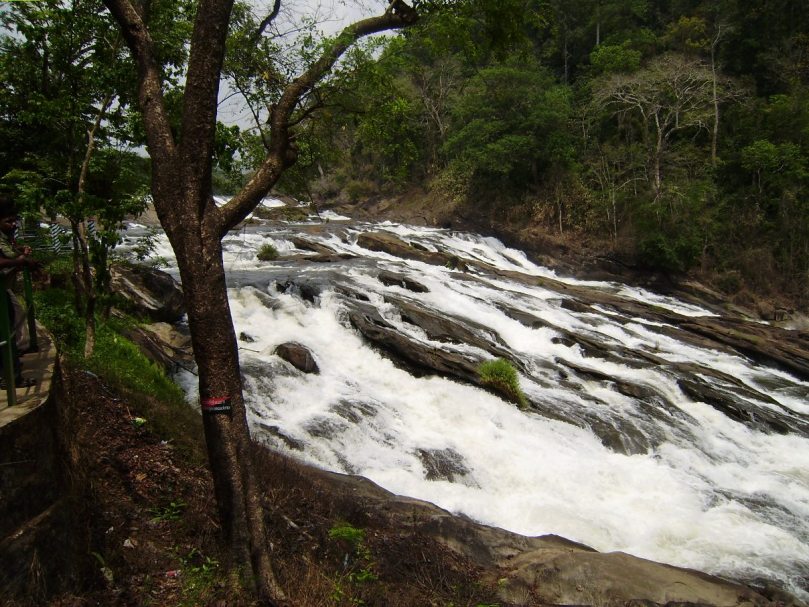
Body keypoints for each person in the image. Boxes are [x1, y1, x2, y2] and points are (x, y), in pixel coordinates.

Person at [0, 194, 38, 388]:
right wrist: (20, 261)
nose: (13, 224)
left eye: (15, 220)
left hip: (4, 288)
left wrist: (21, 254)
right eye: (9, 221)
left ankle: (10, 367)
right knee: (7, 332)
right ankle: (11, 376)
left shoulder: (6, 236)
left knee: (12, 326)